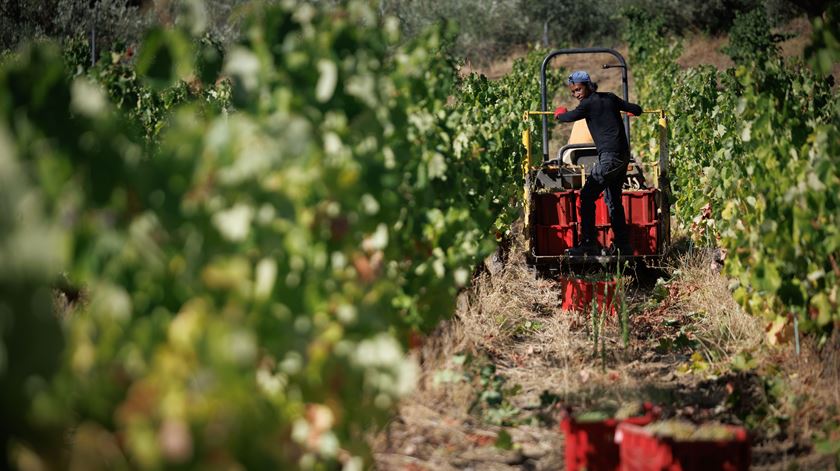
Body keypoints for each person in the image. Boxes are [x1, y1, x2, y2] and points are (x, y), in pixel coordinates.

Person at [554, 70, 643, 256]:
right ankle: (623, 246)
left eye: (578, 89)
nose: (576, 94)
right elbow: (637, 109)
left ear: (588, 85)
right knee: (613, 200)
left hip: (609, 158)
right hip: (623, 156)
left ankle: (588, 243)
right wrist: (629, 111)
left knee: (586, 196)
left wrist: (559, 113)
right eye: (573, 92)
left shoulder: (587, 105)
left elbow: (567, 118)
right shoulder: (610, 98)